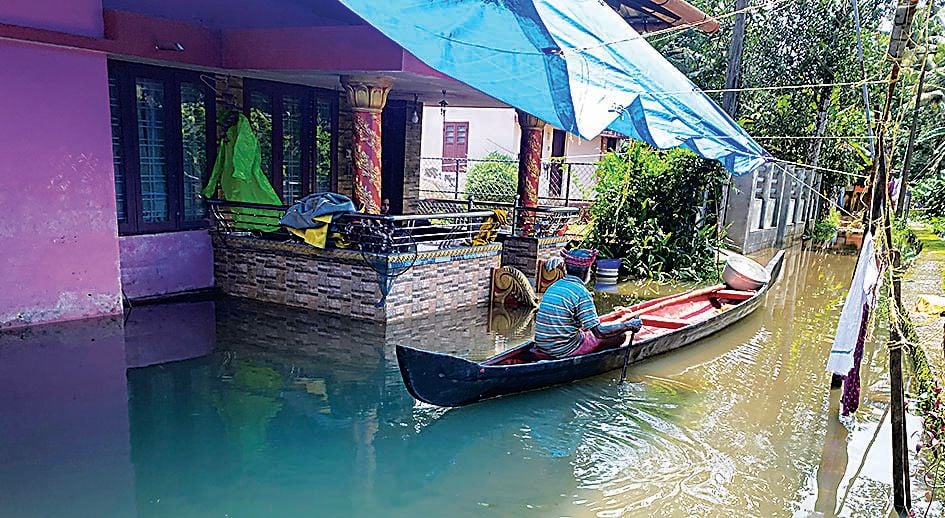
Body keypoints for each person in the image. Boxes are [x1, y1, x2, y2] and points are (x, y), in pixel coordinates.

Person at [535, 249, 641, 358]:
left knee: (586, 329)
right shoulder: (581, 293)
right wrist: (628, 325)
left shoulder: (554, 286)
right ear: (586, 271)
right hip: (564, 350)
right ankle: (594, 357)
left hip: (543, 345)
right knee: (620, 336)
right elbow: (599, 333)